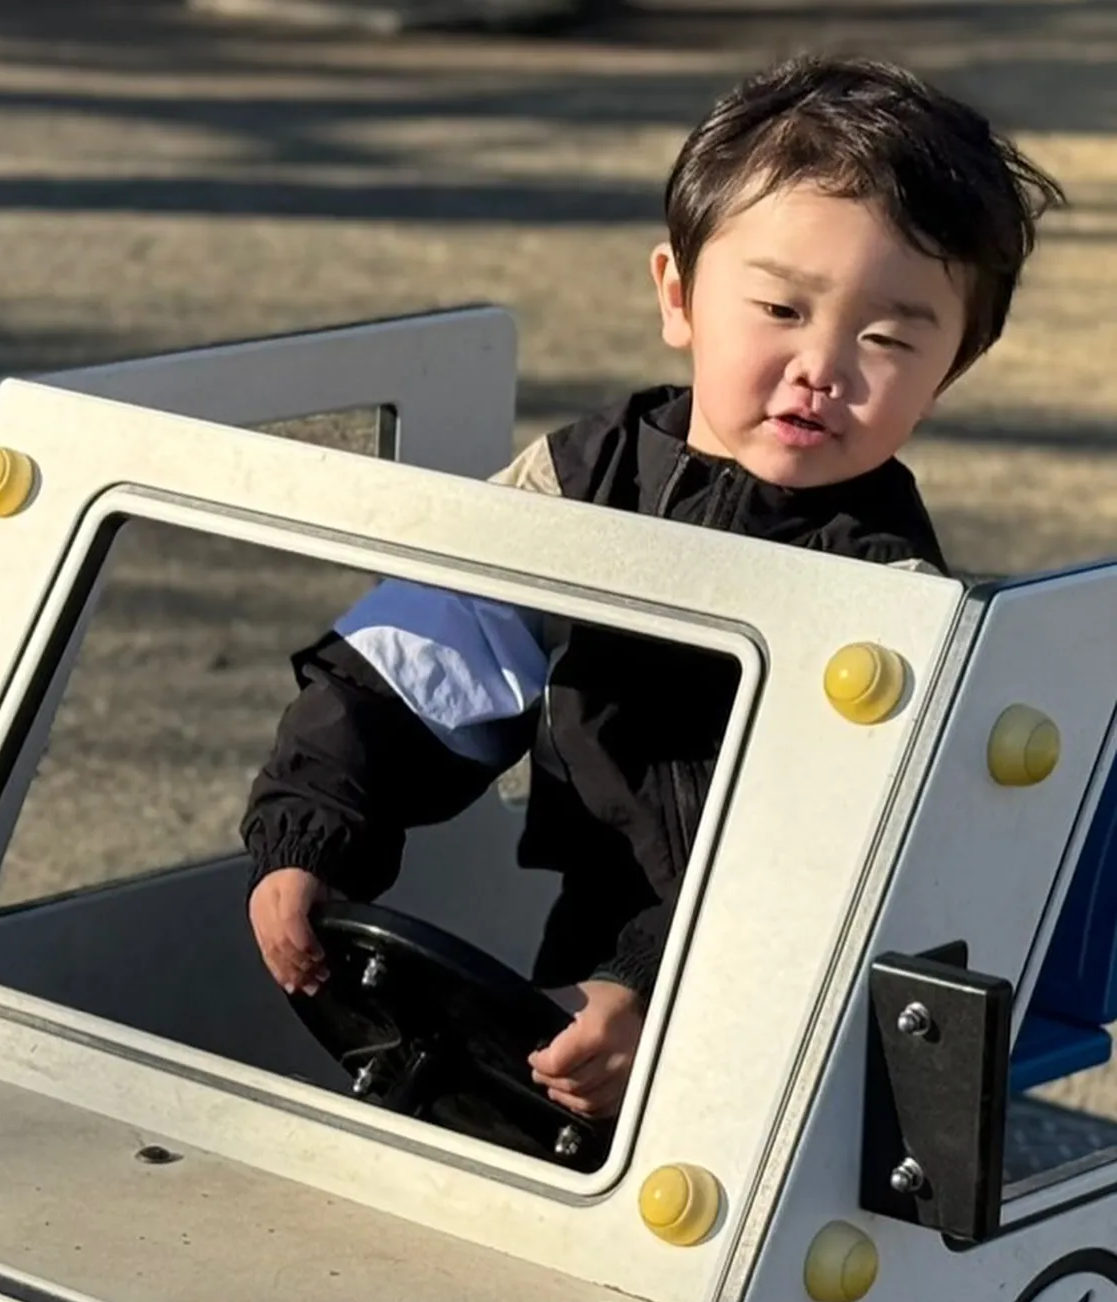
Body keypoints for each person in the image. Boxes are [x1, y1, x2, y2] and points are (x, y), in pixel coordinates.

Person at [241, 54, 1065, 1124]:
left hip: (778, 977)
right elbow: (413, 668)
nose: (822, 366)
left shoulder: (884, 591)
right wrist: (311, 833)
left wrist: (654, 982)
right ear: (679, 296)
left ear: (949, 369)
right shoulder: (580, 488)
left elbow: (809, 844)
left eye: (887, 339)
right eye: (779, 307)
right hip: (601, 936)